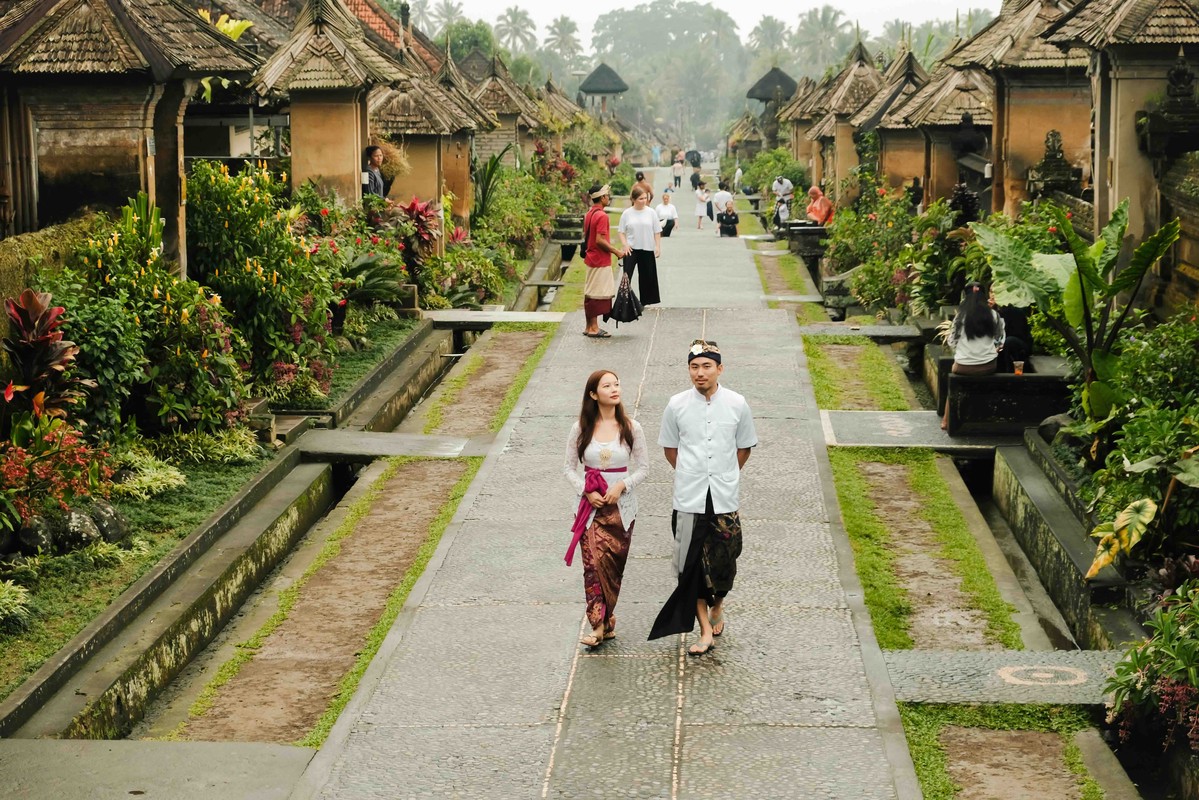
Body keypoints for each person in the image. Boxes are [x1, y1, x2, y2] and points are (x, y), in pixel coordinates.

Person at [649, 340, 757, 655]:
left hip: (724, 496)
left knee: (727, 561)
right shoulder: (676, 404)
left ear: (719, 368)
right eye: (694, 367)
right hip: (687, 498)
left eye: (706, 366)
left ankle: (718, 604)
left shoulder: (737, 403)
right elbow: (670, 448)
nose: (700, 373)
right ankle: (704, 631)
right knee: (688, 567)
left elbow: (744, 446)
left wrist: (725, 474)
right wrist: (690, 473)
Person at [564, 370, 649, 648]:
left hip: (621, 511)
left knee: (612, 568)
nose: (614, 389)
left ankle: (608, 620)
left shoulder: (631, 427)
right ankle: (597, 626)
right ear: (593, 394)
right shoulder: (581, 428)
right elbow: (568, 469)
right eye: (607, 385)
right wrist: (586, 490)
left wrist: (622, 485)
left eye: (617, 384)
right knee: (592, 567)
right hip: (590, 511)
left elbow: (645, 469)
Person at [942, 281, 1006, 430]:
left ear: (965, 296)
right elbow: (1000, 341)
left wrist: (963, 352)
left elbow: (951, 341)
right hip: (988, 366)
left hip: (963, 367)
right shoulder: (994, 315)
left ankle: (945, 421)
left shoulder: (960, 317)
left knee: (953, 379)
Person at [581, 184, 621, 339]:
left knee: (590, 293)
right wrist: (616, 251)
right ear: (602, 197)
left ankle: (588, 326)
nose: (608, 198)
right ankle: (594, 328)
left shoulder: (589, 214)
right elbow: (599, 240)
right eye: (607, 195)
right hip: (599, 259)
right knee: (598, 294)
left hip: (590, 258)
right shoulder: (602, 216)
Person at [617, 187, 662, 306]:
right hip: (632, 248)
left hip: (647, 248)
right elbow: (621, 231)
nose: (643, 201)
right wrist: (625, 245)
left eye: (645, 198)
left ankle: (645, 302)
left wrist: (657, 246)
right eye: (641, 198)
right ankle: (623, 302)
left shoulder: (651, 212)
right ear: (634, 199)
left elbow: (657, 231)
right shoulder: (627, 213)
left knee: (647, 276)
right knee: (627, 275)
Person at [990, 286, 1031, 373]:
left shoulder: (1015, 310)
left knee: (1009, 342)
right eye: (991, 292)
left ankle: (1014, 374)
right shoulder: (988, 311)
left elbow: (1018, 334)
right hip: (996, 345)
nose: (993, 295)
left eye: (996, 292)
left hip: (1016, 345)